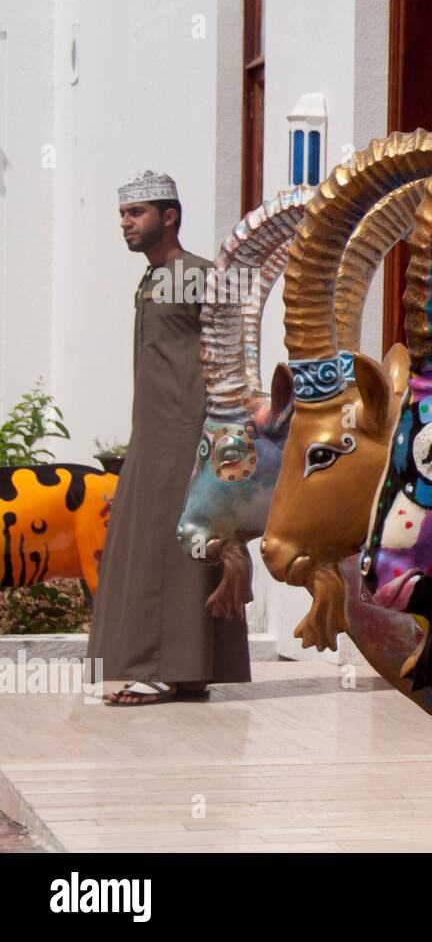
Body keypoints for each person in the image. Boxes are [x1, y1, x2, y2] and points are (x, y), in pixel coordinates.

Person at [88, 170, 250, 705]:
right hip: (152, 433)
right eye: (122, 215)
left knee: (174, 545)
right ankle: (186, 669)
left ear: (170, 216)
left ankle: (161, 669)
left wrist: (226, 428)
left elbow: (232, 351)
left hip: (189, 433)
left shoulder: (198, 275)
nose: (126, 225)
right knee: (154, 545)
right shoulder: (153, 279)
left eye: (135, 214)